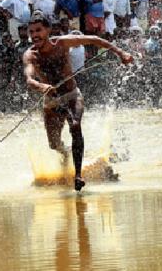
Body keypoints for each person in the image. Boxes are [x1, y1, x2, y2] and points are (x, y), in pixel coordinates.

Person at [22, 11, 133, 191]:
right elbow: (29, 79)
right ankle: (66, 153)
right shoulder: (31, 55)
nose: (35, 35)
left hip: (72, 95)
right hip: (51, 102)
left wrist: (121, 53)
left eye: (38, 30)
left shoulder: (63, 43)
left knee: (75, 125)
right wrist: (41, 87)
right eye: (32, 32)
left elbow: (95, 40)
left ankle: (78, 175)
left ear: (48, 30)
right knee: (54, 144)